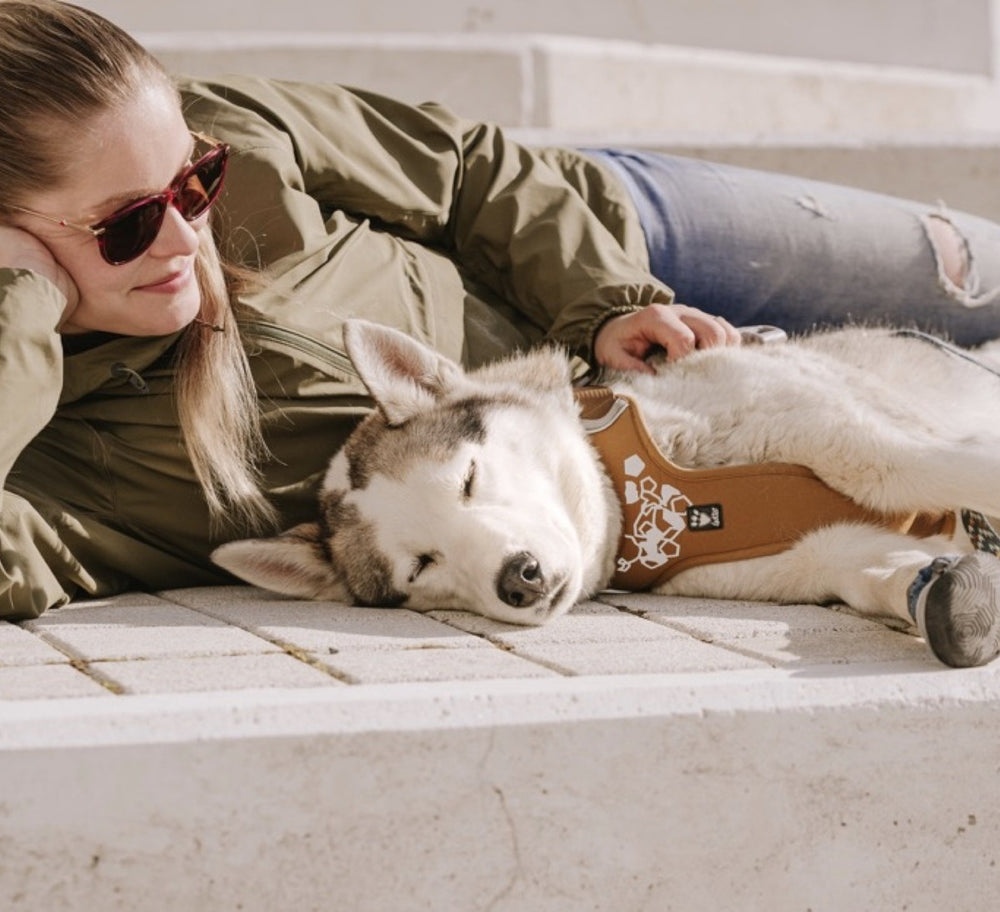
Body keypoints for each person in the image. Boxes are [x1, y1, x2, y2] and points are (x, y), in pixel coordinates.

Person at [1, 0, 999, 620]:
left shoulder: (245, 133)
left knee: (978, 272)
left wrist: (604, 301)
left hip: (632, 244)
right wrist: (22, 307)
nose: (186, 235)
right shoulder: (62, 461)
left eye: (192, 181)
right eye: (124, 227)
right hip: (625, 485)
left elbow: (470, 171)